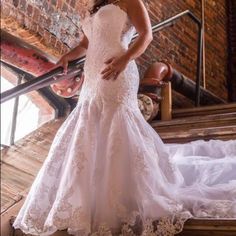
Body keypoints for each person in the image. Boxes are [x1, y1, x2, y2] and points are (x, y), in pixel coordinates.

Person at [13, 0, 236, 235]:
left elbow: (146, 35)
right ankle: (87, 204)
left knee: (116, 124)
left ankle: (121, 201)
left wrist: (124, 59)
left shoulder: (131, 1)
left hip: (117, 71)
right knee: (89, 124)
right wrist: (68, 56)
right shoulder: (95, 8)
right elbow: (87, 43)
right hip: (93, 75)